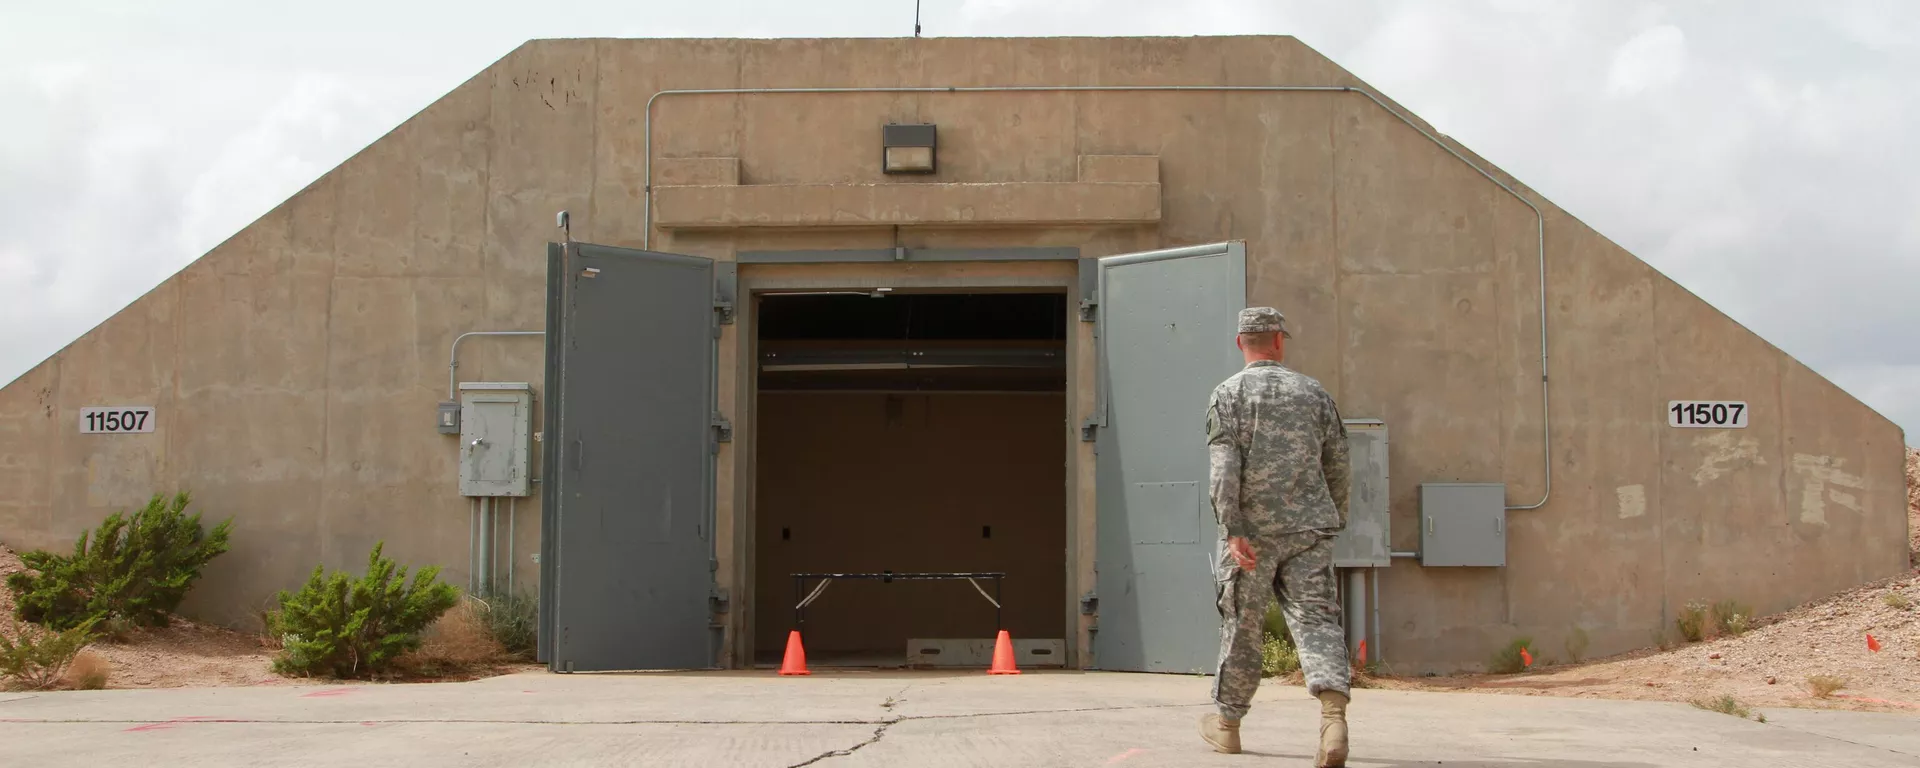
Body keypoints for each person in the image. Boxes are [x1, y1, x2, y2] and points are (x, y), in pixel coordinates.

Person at [1197, 306, 1353, 766]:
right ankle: (1333, 721)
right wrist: (1331, 519)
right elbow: (1339, 463)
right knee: (1318, 621)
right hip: (1309, 530)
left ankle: (1228, 727)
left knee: (1242, 626)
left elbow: (1223, 470)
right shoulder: (1314, 393)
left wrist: (1232, 530)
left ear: (1240, 343)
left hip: (1253, 537)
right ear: (1279, 341)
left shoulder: (1227, 395)